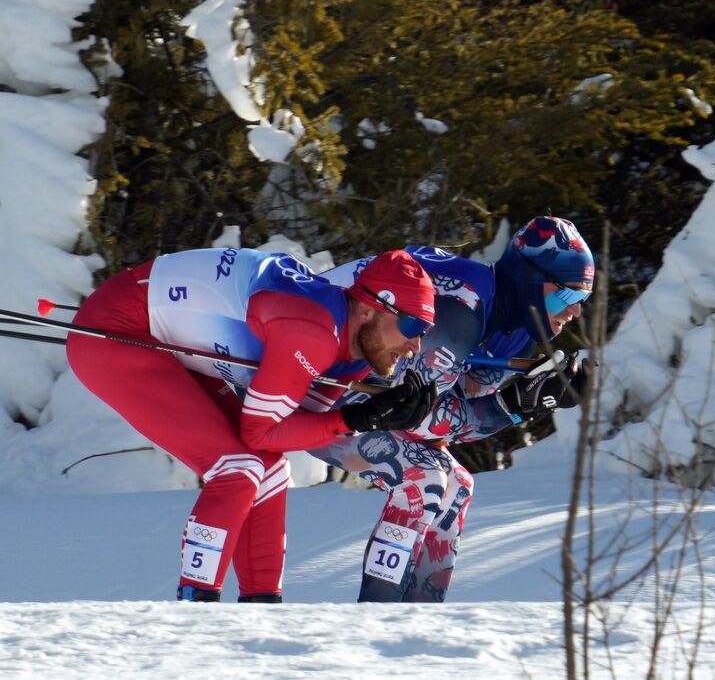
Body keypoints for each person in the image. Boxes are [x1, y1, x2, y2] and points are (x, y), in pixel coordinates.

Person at [66, 247, 440, 602]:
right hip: (115, 329)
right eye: (412, 323)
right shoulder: (313, 331)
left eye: (425, 329)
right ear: (368, 308)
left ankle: (262, 609)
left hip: (162, 338)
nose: (415, 345)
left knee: (270, 468)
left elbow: (288, 430)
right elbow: (260, 431)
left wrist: (371, 417)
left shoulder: (355, 354)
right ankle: (196, 608)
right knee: (237, 467)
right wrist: (359, 418)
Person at [312, 216, 593, 601]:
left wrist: (523, 404)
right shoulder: (462, 308)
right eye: (569, 297)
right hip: (311, 382)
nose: (576, 312)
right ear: (530, 280)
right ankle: (376, 616)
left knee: (458, 485)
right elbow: (414, 419)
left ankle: (419, 617)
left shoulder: (516, 334)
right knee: (422, 478)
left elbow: (454, 422)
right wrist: (512, 405)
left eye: (583, 301)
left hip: (361, 396)